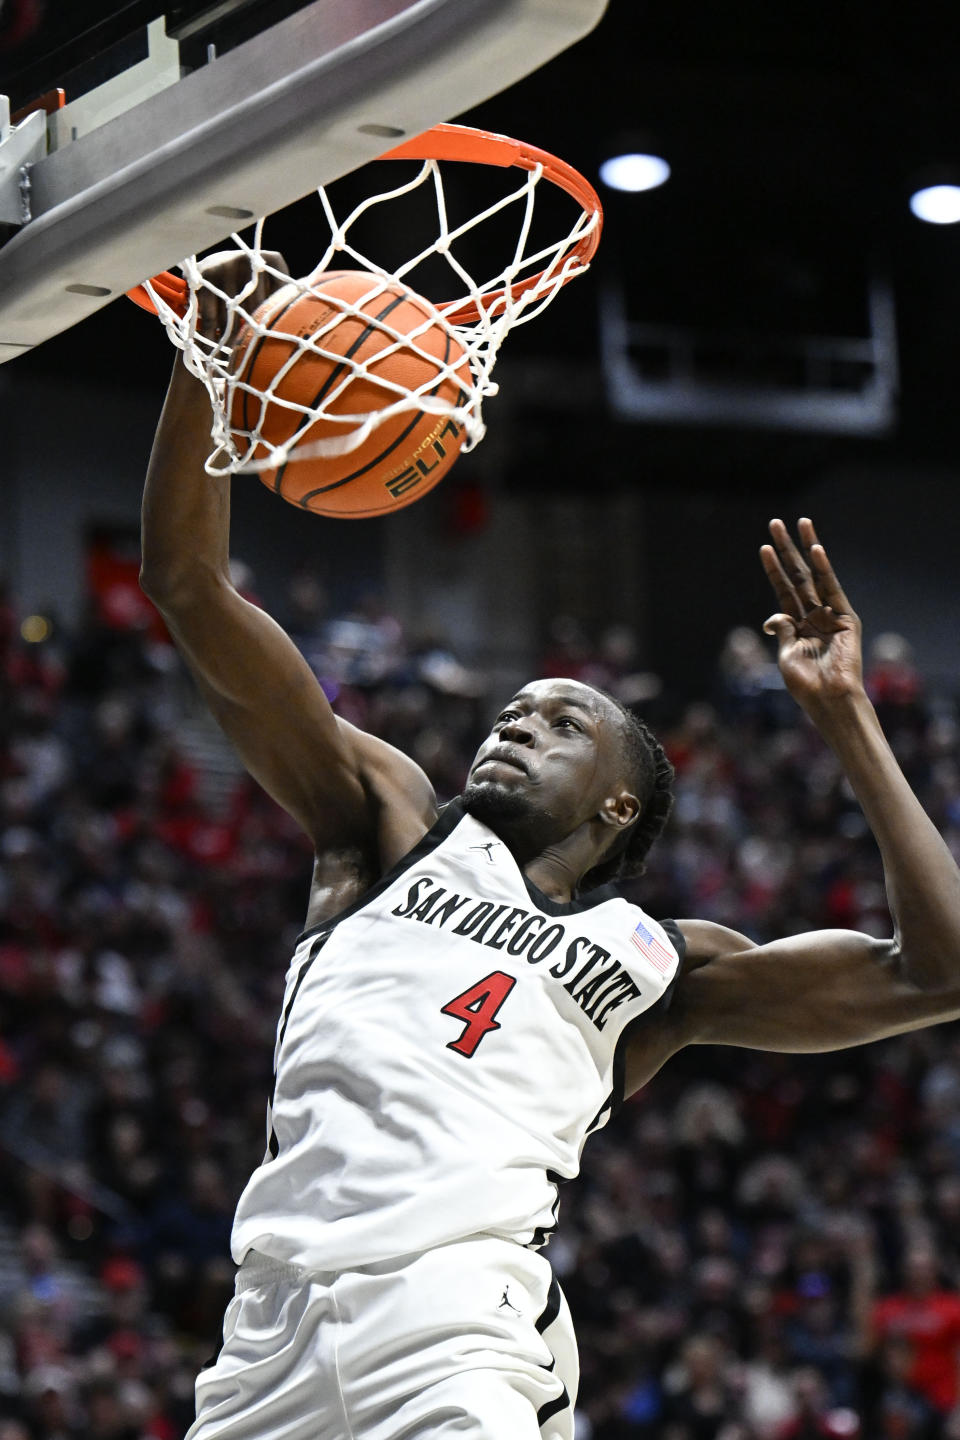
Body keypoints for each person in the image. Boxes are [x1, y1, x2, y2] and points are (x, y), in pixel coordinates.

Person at [139, 255, 960, 1440]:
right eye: (513, 710)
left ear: (619, 804)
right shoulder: (383, 828)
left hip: (460, 1335)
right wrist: (205, 360)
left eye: (563, 720)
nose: (520, 721)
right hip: (264, 1337)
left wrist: (845, 716)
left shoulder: (658, 965)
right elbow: (189, 585)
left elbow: (936, 972)